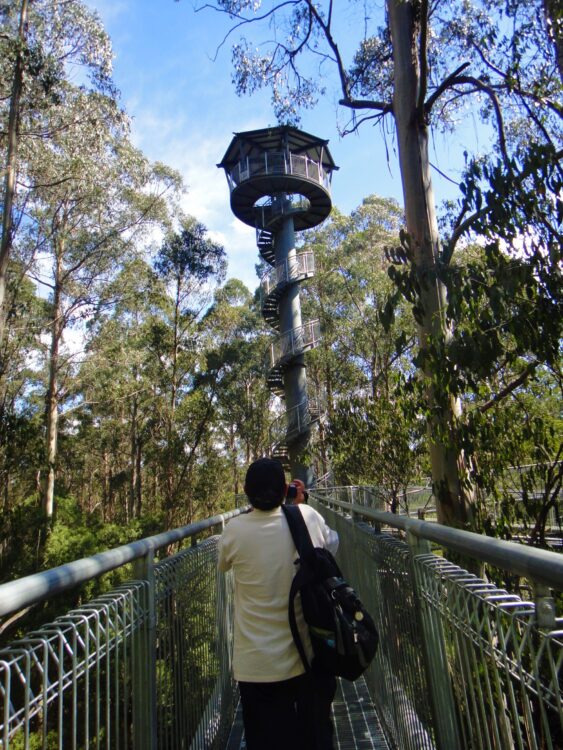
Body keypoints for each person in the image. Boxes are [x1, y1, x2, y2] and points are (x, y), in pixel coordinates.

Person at [218, 457, 339, 750]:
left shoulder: (234, 530)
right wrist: (298, 507)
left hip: (254, 667)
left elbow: (223, 564)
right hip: (302, 659)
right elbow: (331, 546)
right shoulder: (306, 517)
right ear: (285, 488)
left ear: (246, 491)